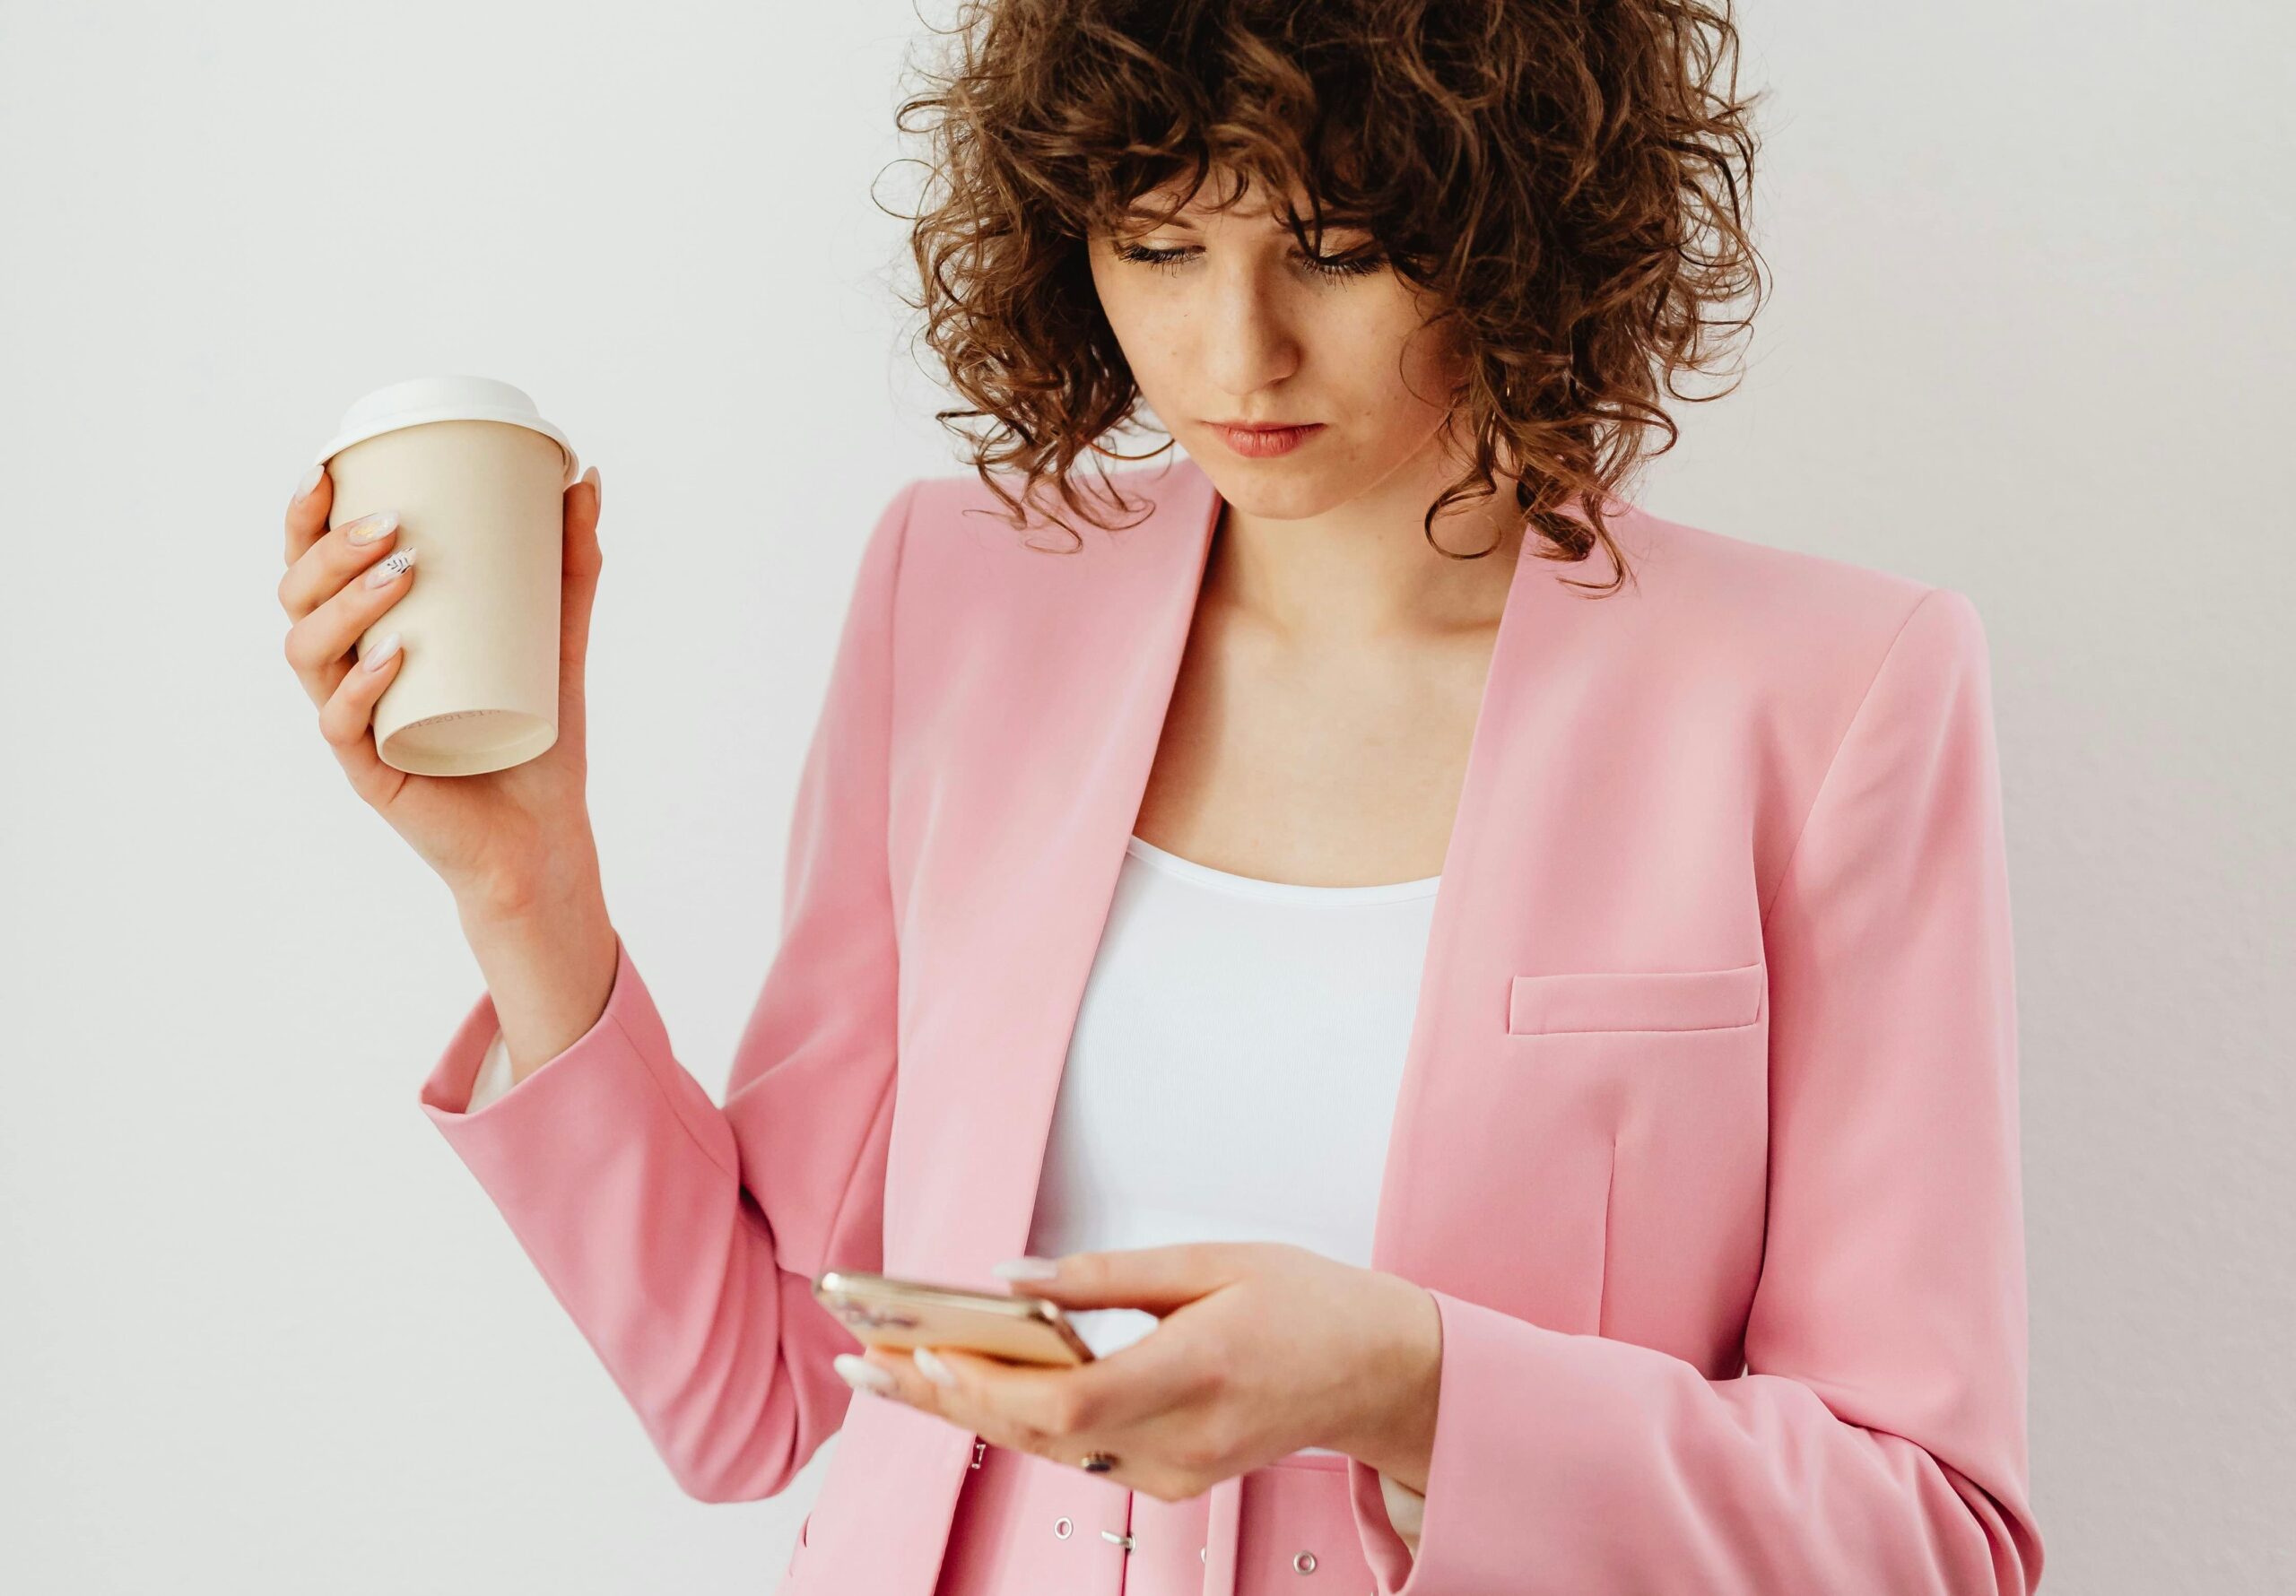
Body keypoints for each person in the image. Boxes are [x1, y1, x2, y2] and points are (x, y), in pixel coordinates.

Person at [274, 2, 2043, 1592]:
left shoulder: (1829, 692)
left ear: (1516, 223)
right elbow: (751, 1392)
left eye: (1338, 250)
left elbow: (1931, 1538)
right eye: (1158, 244)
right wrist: (523, 887)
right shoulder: (961, 597)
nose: (1233, 352)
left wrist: (1408, 1381)